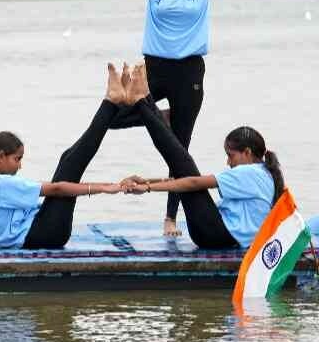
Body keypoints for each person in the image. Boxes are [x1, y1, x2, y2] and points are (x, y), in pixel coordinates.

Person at [110, 0, 212, 237]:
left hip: (188, 71)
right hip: (154, 68)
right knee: (115, 117)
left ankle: (171, 217)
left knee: (178, 148)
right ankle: (159, 116)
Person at [121, 65, 284, 249]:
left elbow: (193, 183)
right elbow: (190, 180)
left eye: (231, 156)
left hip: (216, 235)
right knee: (180, 160)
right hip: (216, 235)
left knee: (181, 159)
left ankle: (142, 100)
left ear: (247, 152)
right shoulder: (262, 173)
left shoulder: (251, 173)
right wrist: (146, 181)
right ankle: (143, 98)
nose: (228, 162)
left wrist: (148, 187)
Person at [0, 64, 133, 249]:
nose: (20, 166)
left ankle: (112, 103)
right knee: (71, 163)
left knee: (67, 158)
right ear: (1, 156)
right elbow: (56, 189)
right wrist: (104, 188)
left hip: (40, 230)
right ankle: (111, 103)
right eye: (17, 159)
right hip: (44, 234)